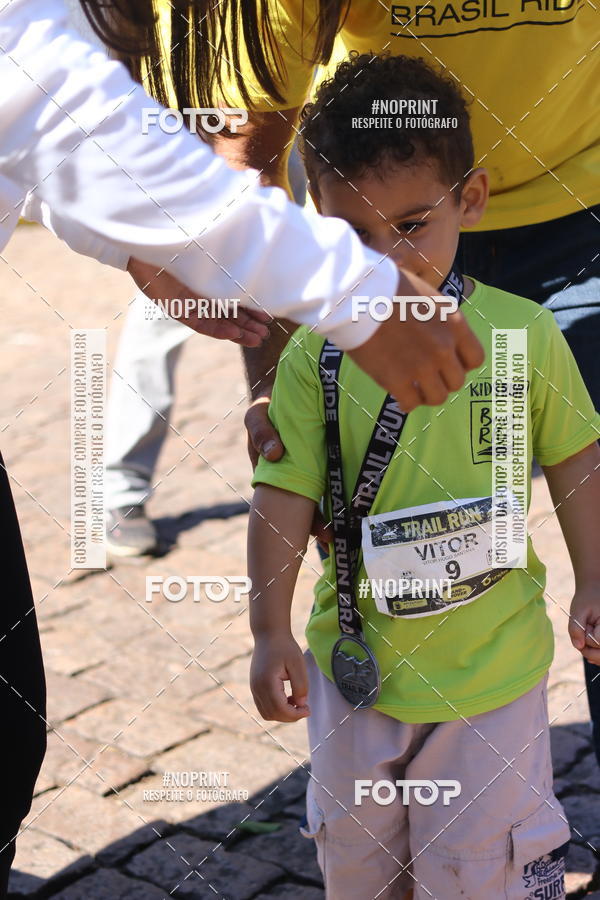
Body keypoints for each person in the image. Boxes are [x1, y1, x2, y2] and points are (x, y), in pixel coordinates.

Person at [0, 0, 485, 891]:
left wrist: (147, 253)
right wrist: (358, 295)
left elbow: (53, 142)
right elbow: (43, 93)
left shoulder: (518, 333)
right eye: (353, 232)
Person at [248, 53, 600, 900]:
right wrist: (268, 630)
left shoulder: (522, 336)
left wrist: (595, 576)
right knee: (364, 871)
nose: (392, 263)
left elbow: (577, 455)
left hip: (494, 678)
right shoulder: (311, 356)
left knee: (485, 872)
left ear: (469, 200)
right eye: (356, 237)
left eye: (413, 225)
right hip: (353, 675)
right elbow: (283, 491)